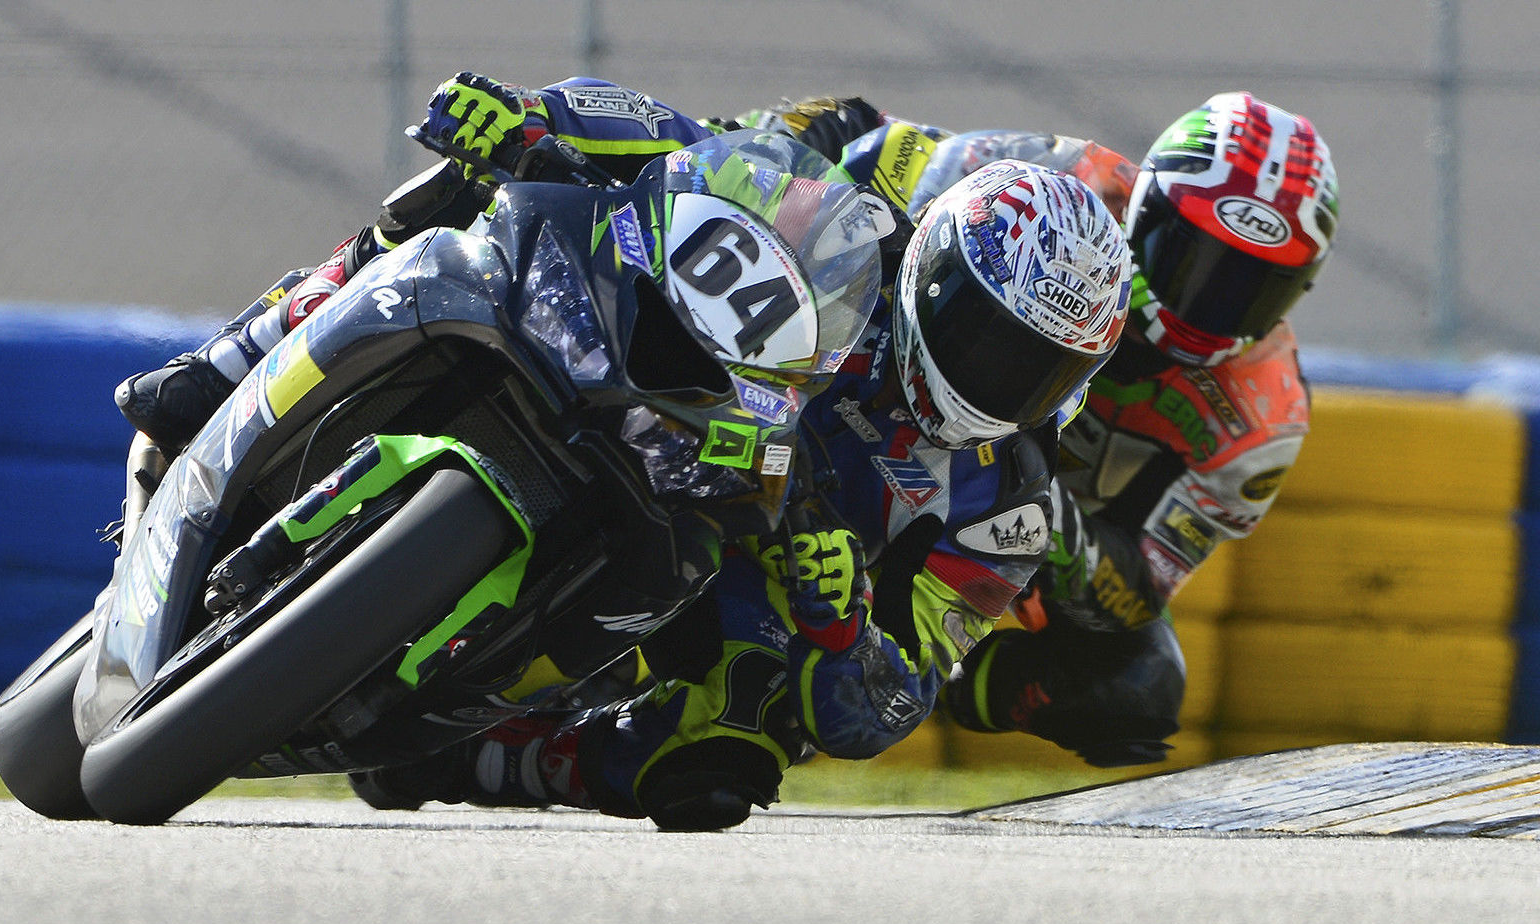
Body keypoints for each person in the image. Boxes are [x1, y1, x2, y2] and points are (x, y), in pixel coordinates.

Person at [114, 73, 1135, 829]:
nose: (996, 377)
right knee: (470, 200)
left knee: (727, 753)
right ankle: (233, 355)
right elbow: (694, 148)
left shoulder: (1005, 510)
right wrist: (534, 117)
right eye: (986, 337)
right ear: (935, 275)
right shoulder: (848, 239)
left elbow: (886, 703)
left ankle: (482, 755)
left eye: (1034, 370)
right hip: (644, 377)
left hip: (726, 555)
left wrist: (843, 623)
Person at [745, 92, 1340, 767]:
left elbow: (1138, 585)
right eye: (1192, 258)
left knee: (1139, 686)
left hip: (999, 528)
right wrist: (800, 137)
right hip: (875, 414)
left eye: (1253, 285)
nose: (1208, 304)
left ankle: (940, 673)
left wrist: (1028, 512)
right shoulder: (1050, 182)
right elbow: (880, 158)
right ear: (1143, 208)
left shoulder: (1266, 417)